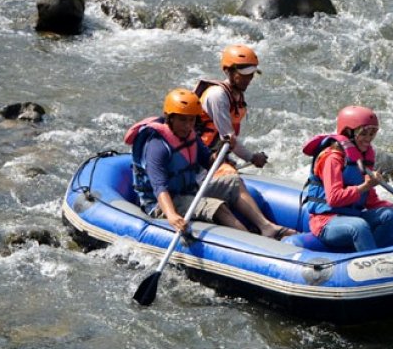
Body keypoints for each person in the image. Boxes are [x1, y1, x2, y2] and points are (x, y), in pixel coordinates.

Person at [124, 88, 295, 239]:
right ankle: (252, 241)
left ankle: (267, 227)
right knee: (217, 207)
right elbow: (159, 186)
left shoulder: (189, 134)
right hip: (162, 203)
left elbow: (208, 161)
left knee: (233, 181)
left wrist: (224, 149)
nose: (188, 125)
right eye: (183, 120)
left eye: (191, 120)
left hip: (188, 191)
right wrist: (171, 215)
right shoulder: (157, 146)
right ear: (170, 118)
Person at [302, 106, 393, 252]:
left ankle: (370, 253)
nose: (368, 139)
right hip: (327, 222)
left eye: (372, 134)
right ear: (348, 132)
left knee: (389, 215)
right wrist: (364, 186)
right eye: (363, 133)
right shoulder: (332, 158)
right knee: (358, 225)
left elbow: (370, 201)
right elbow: (334, 198)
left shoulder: (362, 158)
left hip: (353, 216)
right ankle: (372, 262)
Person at [193, 44, 268, 177]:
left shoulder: (236, 94)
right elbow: (227, 137)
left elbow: (230, 140)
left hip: (216, 152)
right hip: (198, 156)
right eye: (243, 75)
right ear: (228, 71)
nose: (248, 79)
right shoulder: (218, 96)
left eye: (251, 74)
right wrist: (251, 157)